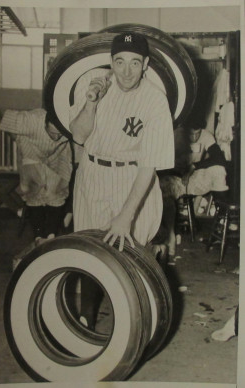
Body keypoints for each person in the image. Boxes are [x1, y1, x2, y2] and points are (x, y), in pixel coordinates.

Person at [69, 32, 175, 328]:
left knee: (131, 259)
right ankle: (85, 321)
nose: (126, 71)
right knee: (91, 252)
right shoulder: (94, 84)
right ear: (111, 62)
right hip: (93, 174)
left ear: (146, 64)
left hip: (133, 179)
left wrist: (125, 216)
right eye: (119, 62)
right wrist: (91, 101)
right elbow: (78, 135)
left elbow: (149, 165)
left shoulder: (154, 100)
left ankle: (131, 331)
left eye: (134, 63)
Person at [159, 116, 229, 256]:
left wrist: (193, 167)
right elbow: (161, 164)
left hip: (194, 176)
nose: (195, 137)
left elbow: (219, 158)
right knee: (164, 187)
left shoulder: (207, 136)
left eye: (197, 133)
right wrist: (180, 170)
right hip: (175, 177)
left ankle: (222, 220)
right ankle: (172, 233)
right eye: (191, 134)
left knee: (219, 170)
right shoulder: (176, 135)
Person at [0, 108, 73, 241]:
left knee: (57, 192)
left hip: (58, 154)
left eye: (59, 134)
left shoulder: (70, 124)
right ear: (44, 124)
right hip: (31, 152)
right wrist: (16, 138)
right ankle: (38, 236)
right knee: (33, 193)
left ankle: (51, 236)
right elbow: (3, 114)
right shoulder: (31, 120)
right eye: (53, 133)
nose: (56, 137)